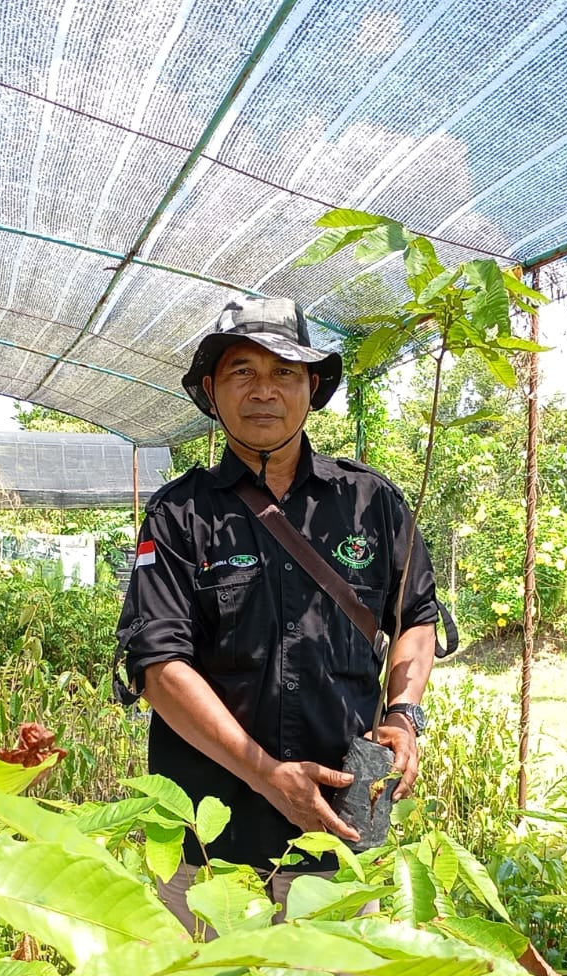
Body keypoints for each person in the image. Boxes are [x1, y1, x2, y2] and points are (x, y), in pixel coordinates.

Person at [114, 296, 447, 925]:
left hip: (340, 833)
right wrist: (268, 774)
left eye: (284, 373)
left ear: (312, 387)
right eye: (243, 372)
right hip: (210, 846)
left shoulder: (369, 503)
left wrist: (404, 715)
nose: (263, 391)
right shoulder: (179, 515)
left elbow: (417, 618)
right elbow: (159, 667)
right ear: (211, 391)